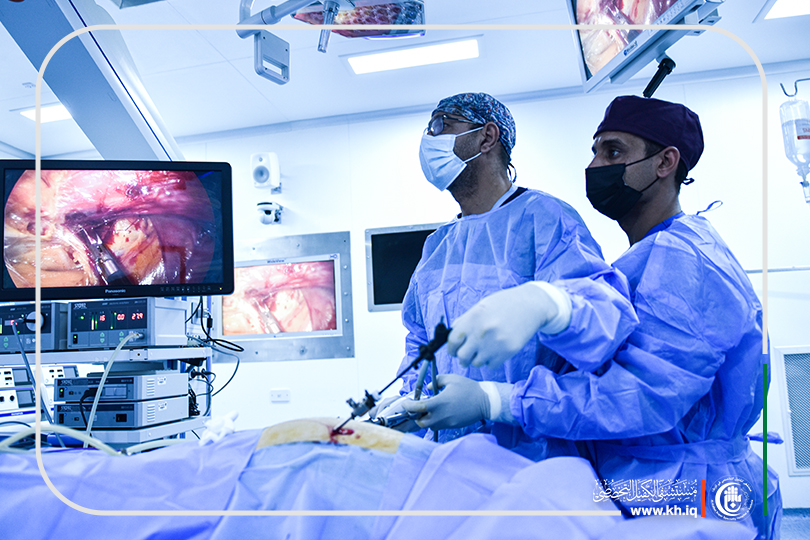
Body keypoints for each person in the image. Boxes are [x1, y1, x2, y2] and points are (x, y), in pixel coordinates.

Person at [407, 95, 781, 538]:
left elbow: (641, 395)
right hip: (635, 484)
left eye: (613, 152)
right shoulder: (645, 257)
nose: (594, 166)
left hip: (686, 493)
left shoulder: (686, 260)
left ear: (665, 163)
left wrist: (497, 399)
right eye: (595, 151)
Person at [385, 92, 638, 460]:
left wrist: (545, 304)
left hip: (534, 458)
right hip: (450, 459)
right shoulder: (438, 245)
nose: (429, 138)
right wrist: (410, 396)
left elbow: (601, 322)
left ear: (487, 137)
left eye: (441, 125)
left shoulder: (545, 219)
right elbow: (422, 341)